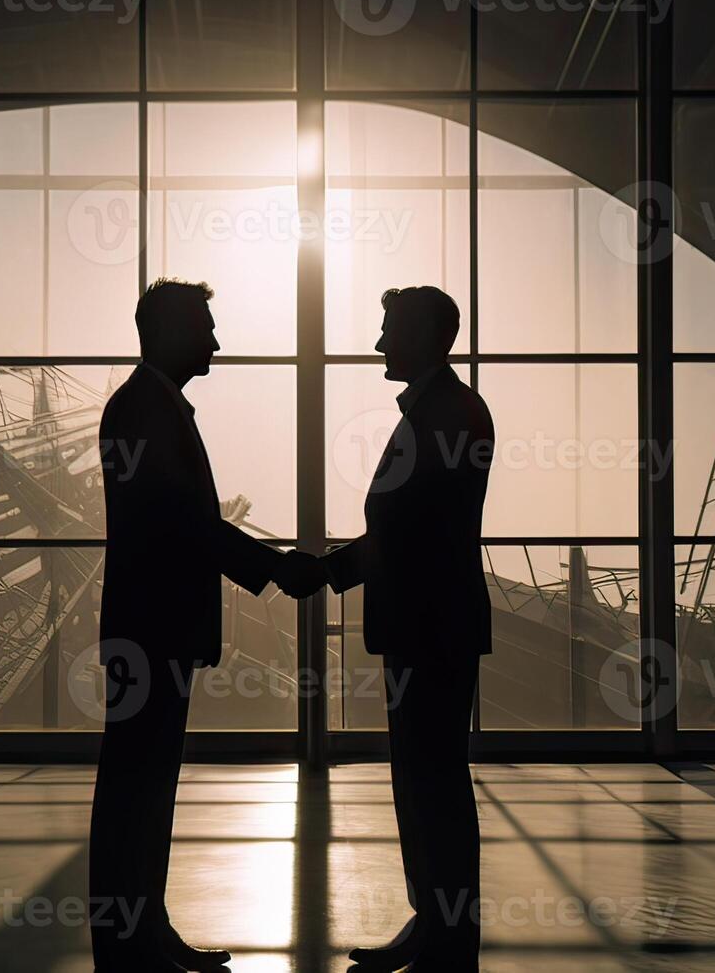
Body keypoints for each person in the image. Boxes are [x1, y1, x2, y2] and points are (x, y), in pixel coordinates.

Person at [89, 278, 323, 972]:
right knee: (138, 783)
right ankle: (129, 940)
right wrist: (276, 568)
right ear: (167, 330)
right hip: (152, 628)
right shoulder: (144, 412)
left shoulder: (148, 409)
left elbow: (180, 522)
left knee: (145, 783)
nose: (216, 340)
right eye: (204, 326)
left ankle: (140, 931)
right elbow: (183, 524)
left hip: (150, 626)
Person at [298, 286, 495, 971]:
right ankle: (436, 924)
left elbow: (409, 531)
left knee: (430, 778)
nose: (380, 344)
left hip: (428, 626)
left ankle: (444, 931)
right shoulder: (442, 410)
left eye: (388, 330)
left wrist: (327, 571)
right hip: (428, 624)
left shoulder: (444, 414)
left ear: (421, 335)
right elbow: (408, 529)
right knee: (423, 777)